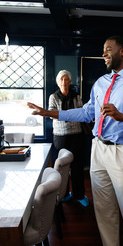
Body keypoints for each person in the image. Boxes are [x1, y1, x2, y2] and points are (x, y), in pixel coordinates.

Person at [28, 35, 123, 246]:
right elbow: (87, 112)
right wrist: (49, 113)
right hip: (98, 150)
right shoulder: (100, 83)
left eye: (108, 49)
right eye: (102, 49)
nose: (104, 53)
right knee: (104, 210)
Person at [49, 69, 89, 207]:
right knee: (63, 167)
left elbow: (82, 113)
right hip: (60, 136)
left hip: (76, 135)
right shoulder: (53, 97)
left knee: (77, 166)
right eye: (62, 79)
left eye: (66, 79)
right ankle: (64, 194)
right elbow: (51, 113)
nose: (64, 82)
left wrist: (65, 114)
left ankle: (79, 195)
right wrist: (68, 114)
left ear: (70, 81)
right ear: (58, 82)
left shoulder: (76, 97)